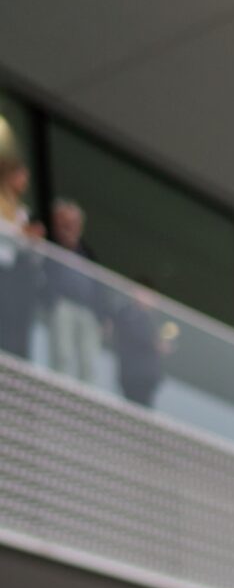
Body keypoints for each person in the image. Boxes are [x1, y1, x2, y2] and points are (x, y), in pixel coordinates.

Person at [41, 198, 101, 386]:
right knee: (63, 354)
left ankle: (86, 396)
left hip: (87, 311)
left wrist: (102, 315)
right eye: (65, 223)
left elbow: (98, 285)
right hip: (62, 305)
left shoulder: (87, 253)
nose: (70, 228)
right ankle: (58, 389)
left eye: (74, 223)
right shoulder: (50, 245)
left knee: (88, 361)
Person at [0, 146, 42, 361]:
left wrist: (32, 238)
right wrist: (22, 233)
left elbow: (24, 247)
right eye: (22, 176)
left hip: (12, 272)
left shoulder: (21, 211)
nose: (25, 182)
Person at [110, 284, 171, 409]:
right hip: (133, 375)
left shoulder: (150, 318)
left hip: (147, 378)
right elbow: (133, 335)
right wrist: (154, 343)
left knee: (143, 408)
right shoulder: (128, 312)